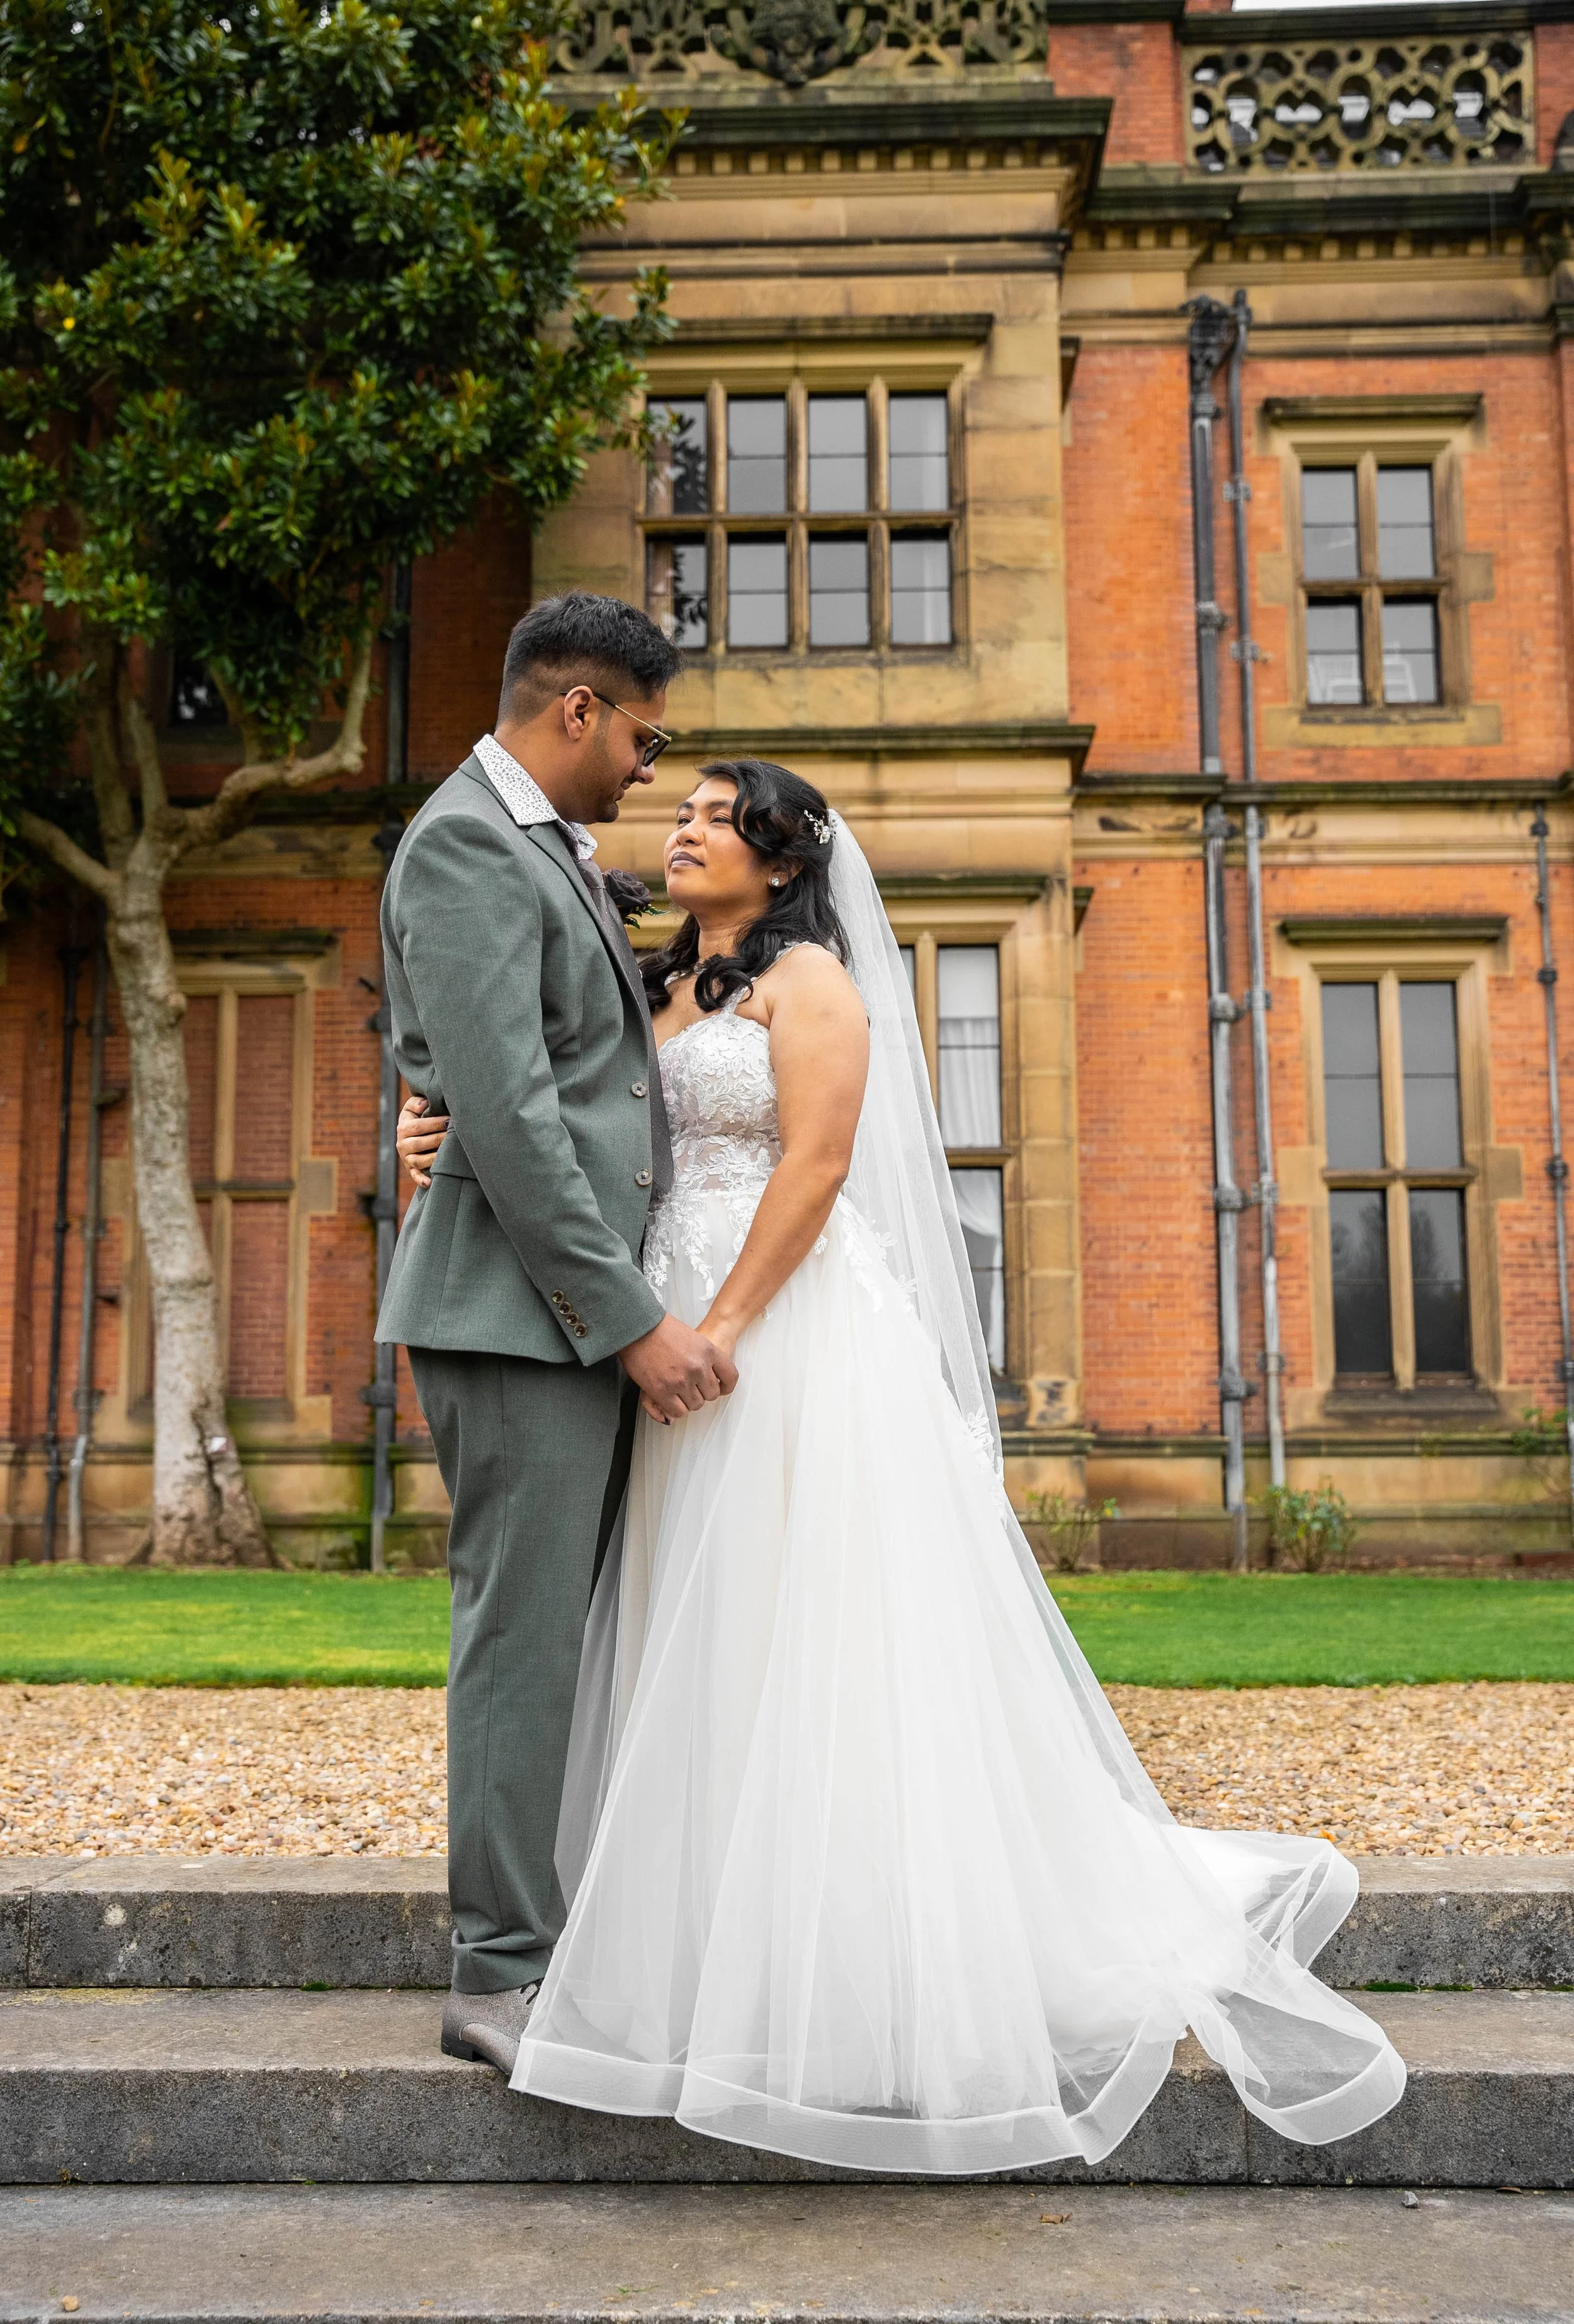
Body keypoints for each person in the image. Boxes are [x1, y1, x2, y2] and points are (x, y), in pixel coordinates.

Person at [396, 757, 1407, 2175]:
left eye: (706, 814)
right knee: (693, 1626)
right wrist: (424, 1123)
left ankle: (843, 1949)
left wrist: (723, 1330)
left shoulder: (815, 985)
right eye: (672, 808)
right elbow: (544, 1101)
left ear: (777, 851)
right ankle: (687, 1927)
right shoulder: (650, 986)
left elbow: (811, 1166)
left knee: (812, 1623)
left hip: (777, 1335)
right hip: (647, 1330)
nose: (675, 828)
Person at [377, 592, 735, 2076]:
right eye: (645, 736)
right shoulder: (467, 840)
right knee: (521, 1641)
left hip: (549, 1309)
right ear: (575, 709)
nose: (650, 769)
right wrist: (632, 1322)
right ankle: (497, 1969)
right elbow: (513, 1119)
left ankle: (561, 1933)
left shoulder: (538, 846)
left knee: (575, 1637)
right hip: (522, 1319)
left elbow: (512, 1074)